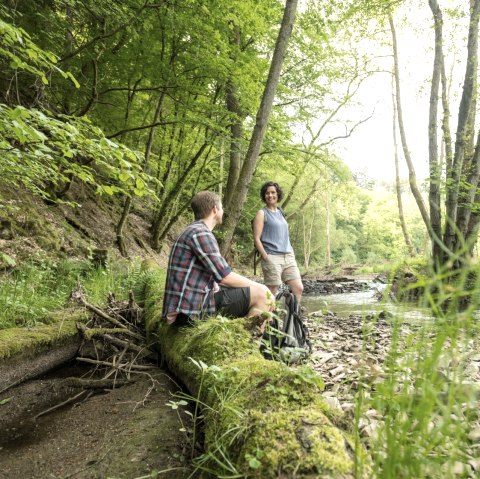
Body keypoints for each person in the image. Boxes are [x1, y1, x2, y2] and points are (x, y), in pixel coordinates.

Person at [162, 191, 273, 325]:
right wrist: (263, 288)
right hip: (189, 312)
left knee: (248, 291)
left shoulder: (193, 230)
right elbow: (224, 277)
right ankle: (250, 343)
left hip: (185, 308)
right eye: (221, 207)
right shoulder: (201, 233)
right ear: (215, 209)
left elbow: (217, 276)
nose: (223, 210)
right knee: (263, 296)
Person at [252, 181, 304, 300]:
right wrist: (266, 257)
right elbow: (256, 238)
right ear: (264, 196)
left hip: (288, 256)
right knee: (272, 292)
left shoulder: (281, 212)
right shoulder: (261, 213)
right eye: (267, 193)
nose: (270, 195)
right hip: (272, 256)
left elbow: (284, 235)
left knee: (298, 288)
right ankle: (268, 318)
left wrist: (291, 250)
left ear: (278, 194)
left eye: (273, 192)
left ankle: (292, 318)